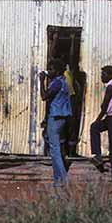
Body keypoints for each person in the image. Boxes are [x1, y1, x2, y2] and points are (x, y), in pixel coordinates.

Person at [89, 65, 112, 186]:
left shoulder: (110, 87)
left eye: (103, 74)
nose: (101, 76)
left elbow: (104, 107)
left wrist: (97, 119)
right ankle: (98, 155)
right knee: (95, 129)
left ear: (110, 75)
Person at [39, 59, 73, 187]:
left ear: (57, 70)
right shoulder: (63, 81)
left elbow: (44, 96)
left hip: (56, 116)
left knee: (55, 150)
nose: (49, 71)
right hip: (62, 117)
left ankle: (62, 179)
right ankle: (57, 179)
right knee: (54, 144)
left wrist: (41, 81)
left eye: (51, 69)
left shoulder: (56, 83)